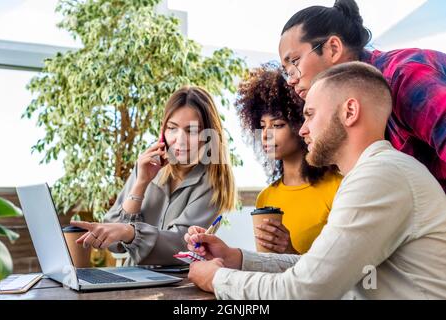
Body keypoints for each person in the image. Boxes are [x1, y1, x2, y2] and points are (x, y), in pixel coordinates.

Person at [184, 62, 446, 300]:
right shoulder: (376, 173)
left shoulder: (379, 176)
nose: (303, 129)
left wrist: (217, 279)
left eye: (310, 114)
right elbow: (318, 269)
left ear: (350, 111)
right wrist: (237, 259)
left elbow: (304, 290)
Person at [278, 0, 446, 192]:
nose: (290, 80)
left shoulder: (404, 77)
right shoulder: (345, 114)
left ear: (333, 48)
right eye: (286, 70)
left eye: (295, 62)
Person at [71, 86, 236, 266]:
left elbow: (181, 244)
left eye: (192, 131)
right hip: (134, 277)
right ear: (163, 130)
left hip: (179, 284)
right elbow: (113, 242)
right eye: (172, 128)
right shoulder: (147, 166)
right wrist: (141, 183)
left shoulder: (214, 183)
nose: (179, 140)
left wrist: (130, 232)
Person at [235, 64, 342, 254]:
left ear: (301, 125)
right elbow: (267, 266)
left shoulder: (338, 187)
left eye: (277, 125)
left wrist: (289, 251)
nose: (266, 134)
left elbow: (341, 269)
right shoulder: (266, 198)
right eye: (262, 125)